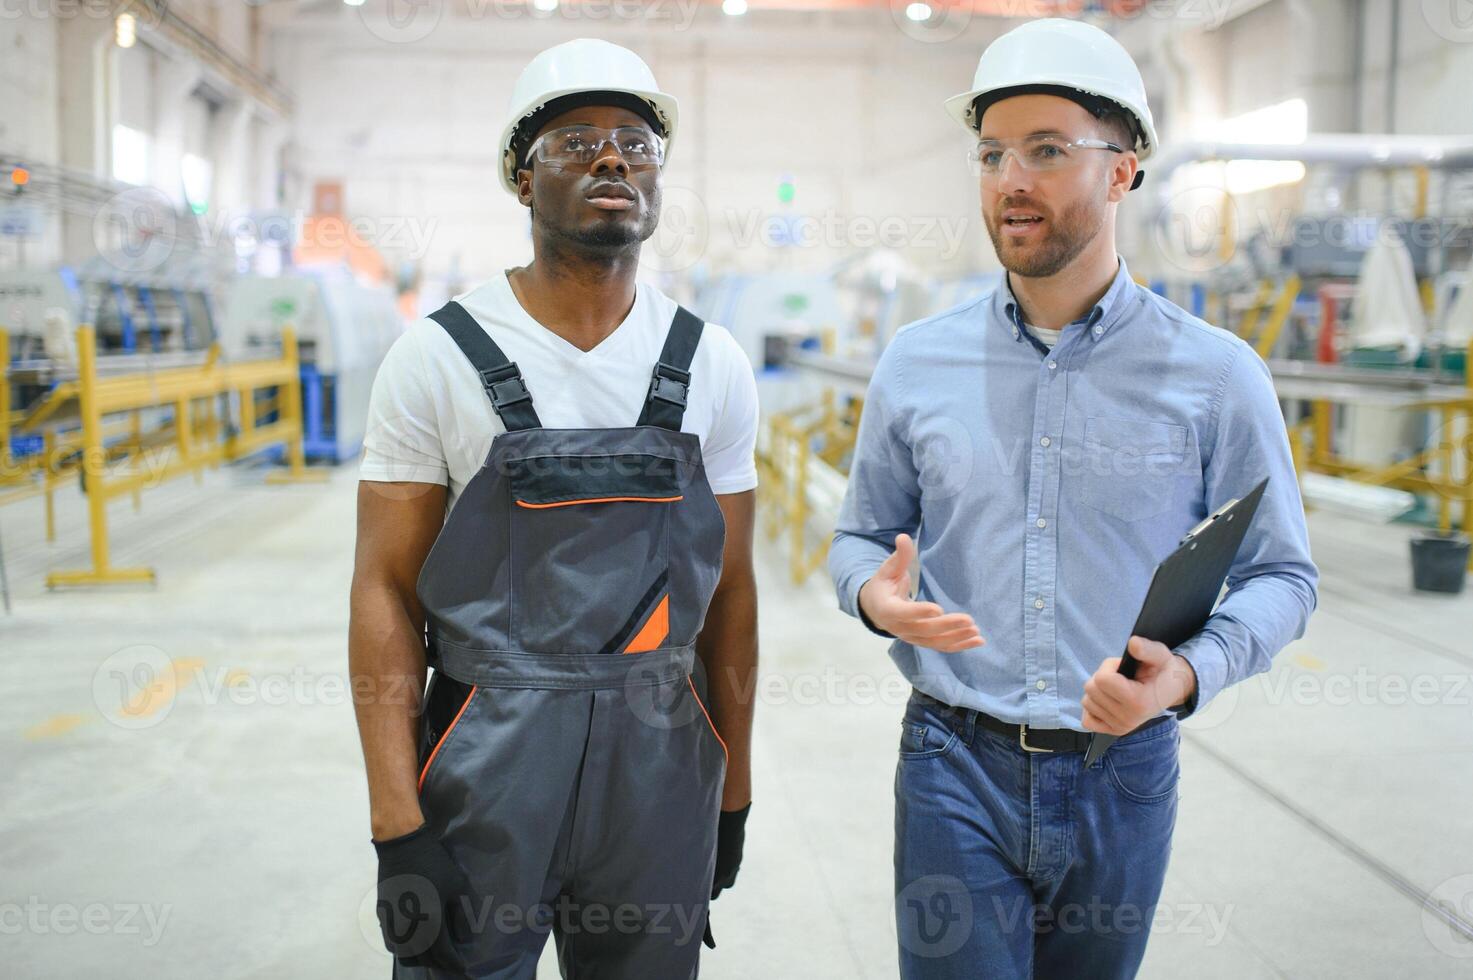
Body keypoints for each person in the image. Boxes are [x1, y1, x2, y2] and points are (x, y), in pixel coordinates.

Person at [828, 18, 1318, 979]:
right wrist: (872, 597)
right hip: (951, 763)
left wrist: (1183, 676)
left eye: (1046, 151)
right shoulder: (917, 363)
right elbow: (856, 537)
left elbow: (1283, 576)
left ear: (1123, 169)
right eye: (991, 153)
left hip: (1121, 773)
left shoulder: (1217, 377)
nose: (1010, 179)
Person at [349, 38, 759, 979]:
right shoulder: (439, 356)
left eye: (636, 142)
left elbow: (730, 599)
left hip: (659, 772)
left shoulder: (709, 363)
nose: (613, 158)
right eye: (575, 142)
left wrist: (731, 792)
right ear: (520, 180)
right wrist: (394, 827)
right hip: (483, 765)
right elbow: (382, 591)